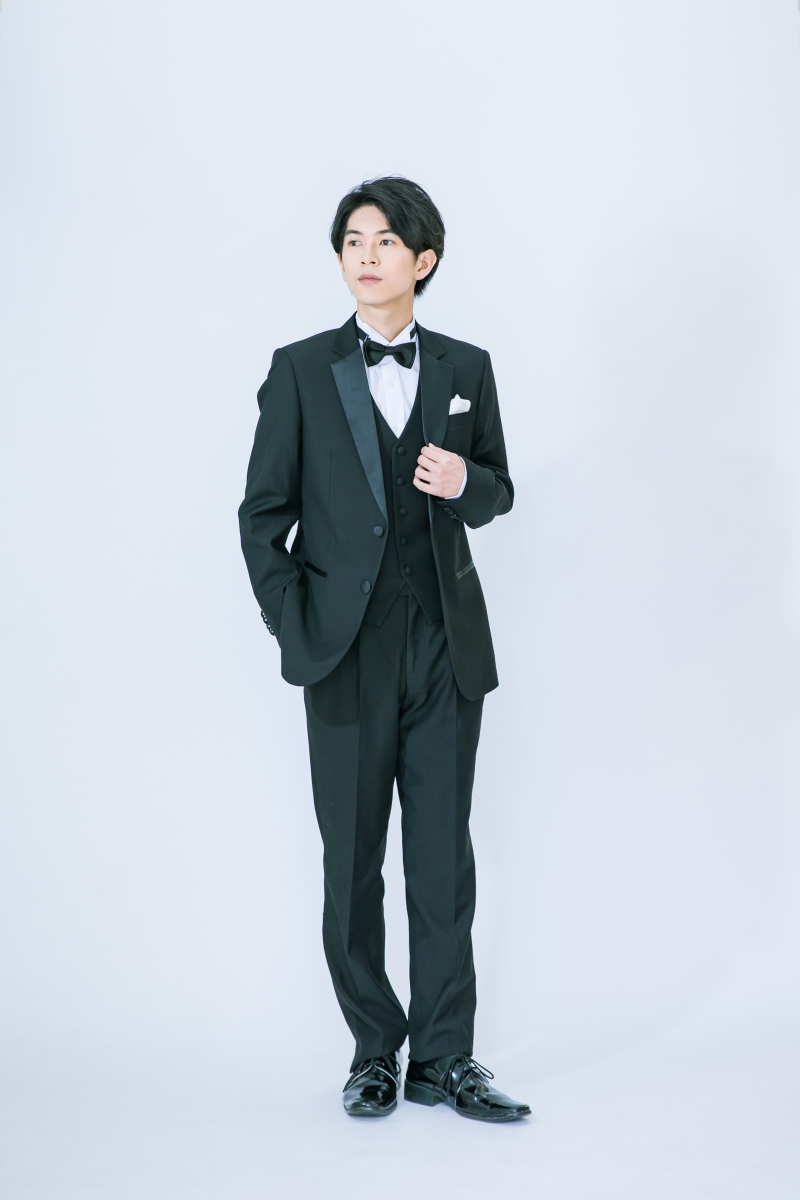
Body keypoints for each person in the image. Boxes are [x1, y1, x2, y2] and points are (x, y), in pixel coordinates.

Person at [238, 177, 529, 1122]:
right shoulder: (299, 369)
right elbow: (262, 517)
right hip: (345, 656)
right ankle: (374, 1048)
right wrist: (295, 621)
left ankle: (444, 1058)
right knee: (352, 861)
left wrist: (464, 481)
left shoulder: (467, 367)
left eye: (386, 241)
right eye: (353, 241)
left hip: (445, 650)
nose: (366, 255)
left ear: (423, 260)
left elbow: (499, 489)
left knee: (443, 862)